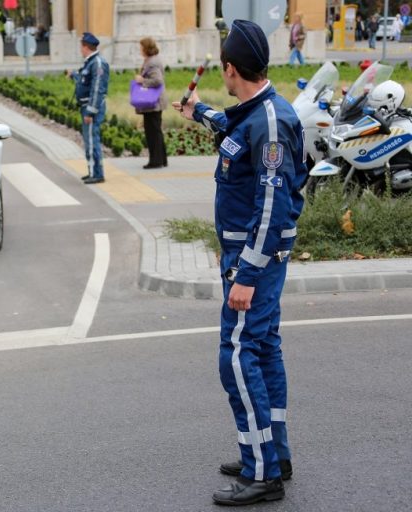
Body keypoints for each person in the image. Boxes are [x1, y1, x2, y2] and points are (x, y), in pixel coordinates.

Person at [172, 19, 307, 506]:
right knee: (264, 349)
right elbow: (233, 129)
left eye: (223, 70)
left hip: (253, 261)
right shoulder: (257, 113)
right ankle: (273, 454)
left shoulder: (269, 123)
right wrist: (199, 112)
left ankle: (262, 472)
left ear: (230, 69)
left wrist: (247, 274)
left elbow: (272, 206)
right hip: (249, 256)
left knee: (237, 356)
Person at [67, 32, 109, 184]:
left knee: (92, 140)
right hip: (86, 106)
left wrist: (90, 111)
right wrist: (73, 75)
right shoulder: (90, 62)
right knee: (89, 140)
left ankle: (97, 174)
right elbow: (84, 80)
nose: (80, 50)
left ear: (86, 47)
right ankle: (92, 171)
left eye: (81, 46)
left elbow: (97, 89)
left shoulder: (97, 63)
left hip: (91, 108)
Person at [134, 37, 168, 169]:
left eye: (141, 47)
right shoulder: (152, 60)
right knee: (156, 130)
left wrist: (142, 81)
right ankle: (161, 159)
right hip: (155, 102)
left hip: (153, 103)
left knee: (152, 132)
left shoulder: (152, 62)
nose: (140, 49)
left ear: (146, 48)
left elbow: (158, 80)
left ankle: (156, 161)